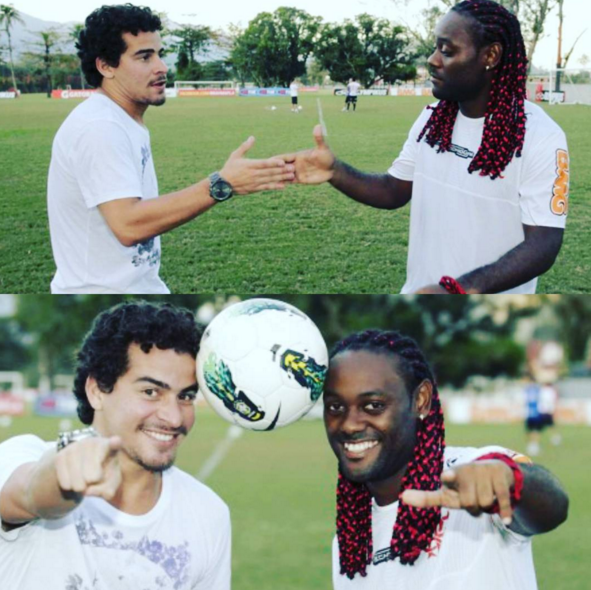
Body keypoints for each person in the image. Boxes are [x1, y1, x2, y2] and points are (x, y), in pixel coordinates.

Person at [284, 0, 569, 294]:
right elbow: (393, 190)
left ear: (491, 55)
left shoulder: (541, 136)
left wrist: (459, 289)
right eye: (435, 48)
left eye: (447, 50)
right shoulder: (432, 119)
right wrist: (334, 171)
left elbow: (543, 243)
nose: (432, 60)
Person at [48, 4, 295, 294]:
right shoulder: (101, 126)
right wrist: (222, 184)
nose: (162, 67)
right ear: (106, 66)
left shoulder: (121, 119)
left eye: (159, 54)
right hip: (101, 294)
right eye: (144, 56)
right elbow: (128, 225)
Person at [0, 301, 231, 590]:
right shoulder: (20, 455)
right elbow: (29, 493)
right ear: (97, 390)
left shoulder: (209, 515)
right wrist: (63, 476)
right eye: (150, 392)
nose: (174, 418)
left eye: (185, 396)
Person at [323, 329, 569, 589]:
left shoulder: (472, 471)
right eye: (335, 407)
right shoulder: (348, 541)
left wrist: (510, 479)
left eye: (373, 405)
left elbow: (552, 508)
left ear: (421, 400)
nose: (349, 425)